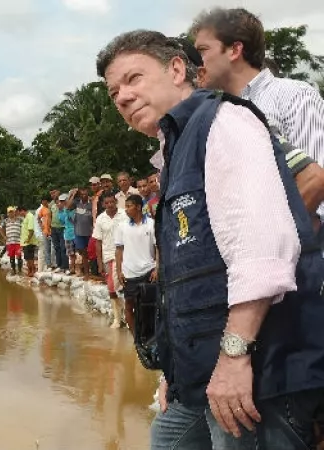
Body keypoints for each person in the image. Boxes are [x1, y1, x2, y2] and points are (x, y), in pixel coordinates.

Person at [96, 29, 324, 449]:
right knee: (168, 439)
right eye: (113, 93)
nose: (123, 97)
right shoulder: (176, 150)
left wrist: (235, 357)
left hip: (258, 370)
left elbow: (262, 249)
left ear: (178, 69)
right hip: (201, 372)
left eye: (134, 78)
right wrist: (175, 374)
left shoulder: (224, 122)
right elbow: (183, 278)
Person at [190, 7, 324, 234]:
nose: (197, 63)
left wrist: (264, 246)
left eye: (202, 51)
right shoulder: (217, 114)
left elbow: (317, 188)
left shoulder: (293, 95)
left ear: (234, 49)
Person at [114, 194, 158, 334]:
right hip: (129, 273)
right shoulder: (122, 226)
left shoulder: (152, 224)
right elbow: (119, 250)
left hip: (148, 272)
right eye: (125, 206)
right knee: (129, 306)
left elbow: (158, 248)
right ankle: (136, 339)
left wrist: (157, 268)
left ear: (138, 207)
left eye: (129, 206)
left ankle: (151, 337)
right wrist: (119, 271)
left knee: (150, 307)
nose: (126, 210)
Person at [93, 192, 128, 328]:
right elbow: (98, 242)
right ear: (103, 204)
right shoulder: (101, 219)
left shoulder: (124, 214)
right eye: (106, 203)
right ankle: (117, 319)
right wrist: (99, 262)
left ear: (116, 202)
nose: (109, 205)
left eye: (112, 202)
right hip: (109, 257)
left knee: (125, 286)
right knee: (112, 289)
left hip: (126, 255)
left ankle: (127, 317)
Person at [67, 187, 93, 276]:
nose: (83, 196)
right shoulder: (77, 203)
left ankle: (91, 271)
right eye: (81, 194)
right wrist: (73, 194)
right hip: (79, 233)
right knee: (83, 253)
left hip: (90, 233)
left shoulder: (92, 203)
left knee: (90, 253)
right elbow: (67, 206)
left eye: (85, 194)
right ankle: (86, 272)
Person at [57, 194, 77, 275]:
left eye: (63, 201)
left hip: (76, 234)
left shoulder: (75, 210)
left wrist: (72, 195)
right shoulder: (63, 211)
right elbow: (62, 221)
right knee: (71, 254)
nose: (62, 203)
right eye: (61, 202)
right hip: (68, 235)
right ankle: (72, 269)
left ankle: (76, 269)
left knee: (78, 253)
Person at [1, 207, 23, 275]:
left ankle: (19, 270)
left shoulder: (20, 220)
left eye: (12, 212)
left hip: (18, 241)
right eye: (9, 212)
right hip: (10, 242)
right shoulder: (5, 220)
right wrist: (4, 236)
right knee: (12, 257)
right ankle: (13, 270)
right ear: (7, 213)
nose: (11, 213)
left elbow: (24, 227)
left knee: (19, 256)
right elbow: (1, 228)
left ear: (14, 212)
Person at [50, 189, 68, 271]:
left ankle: (65, 266)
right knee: (56, 247)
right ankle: (59, 265)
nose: (53, 195)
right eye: (52, 194)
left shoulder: (64, 206)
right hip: (53, 228)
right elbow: (50, 216)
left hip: (62, 228)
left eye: (54, 193)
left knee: (63, 247)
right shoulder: (52, 206)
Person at [18, 206, 38, 278]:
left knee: (30, 257)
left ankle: (33, 270)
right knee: (27, 257)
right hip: (25, 242)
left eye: (19, 212)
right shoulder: (26, 217)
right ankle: (30, 270)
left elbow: (31, 230)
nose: (19, 214)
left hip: (29, 242)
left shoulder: (30, 216)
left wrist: (28, 239)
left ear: (22, 210)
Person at [37, 196, 53, 271]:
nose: (43, 202)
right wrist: (41, 226)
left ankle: (54, 263)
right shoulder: (42, 210)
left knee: (54, 248)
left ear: (47, 201)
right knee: (47, 248)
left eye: (44, 201)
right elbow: (38, 218)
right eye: (42, 201)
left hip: (53, 230)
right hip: (45, 231)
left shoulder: (51, 207)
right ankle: (48, 264)